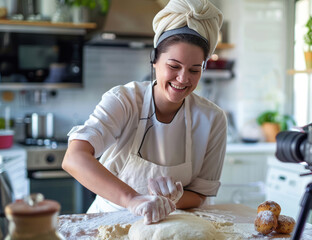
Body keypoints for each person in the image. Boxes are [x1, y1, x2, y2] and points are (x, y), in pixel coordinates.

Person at [62, 0, 226, 225]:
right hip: (109, 222)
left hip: (170, 225)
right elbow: (74, 158)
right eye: (174, 66)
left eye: (194, 70)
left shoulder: (212, 119)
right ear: (154, 60)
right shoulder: (124, 100)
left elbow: (199, 194)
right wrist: (133, 200)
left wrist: (168, 200)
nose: (183, 78)